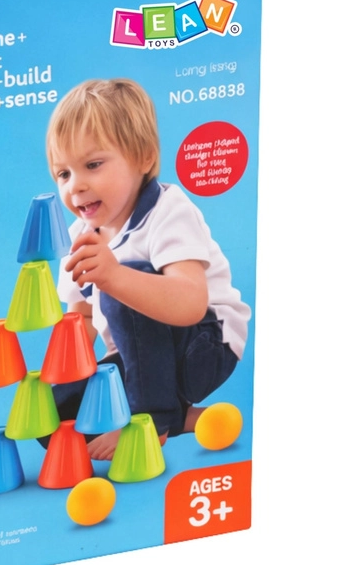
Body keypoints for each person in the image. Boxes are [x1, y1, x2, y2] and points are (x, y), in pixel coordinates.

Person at [46, 79, 250, 460]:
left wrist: (114, 277)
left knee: (125, 284)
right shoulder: (79, 236)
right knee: (57, 416)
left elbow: (191, 303)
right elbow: (82, 317)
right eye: (64, 174)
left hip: (204, 348)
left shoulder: (168, 210)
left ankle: (151, 420)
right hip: (141, 361)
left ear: (143, 158)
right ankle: (185, 416)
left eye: (93, 165)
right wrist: (65, 379)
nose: (76, 186)